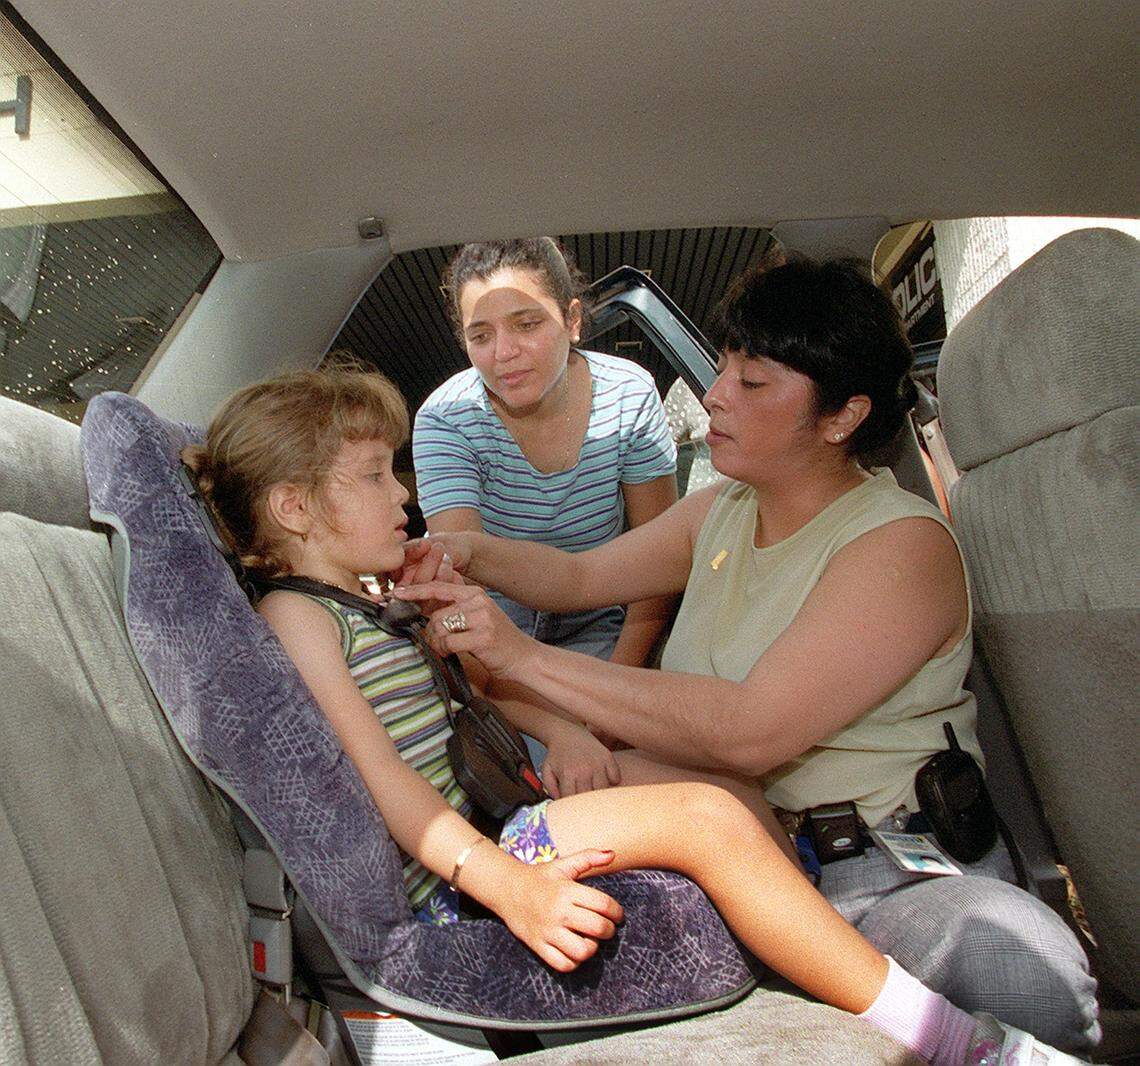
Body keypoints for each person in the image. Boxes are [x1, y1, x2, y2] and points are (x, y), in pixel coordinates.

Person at [184, 364, 1079, 1066]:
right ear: (296, 508)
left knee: (725, 786)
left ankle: (812, 958)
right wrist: (506, 884)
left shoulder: (372, 603)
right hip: (469, 867)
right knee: (706, 815)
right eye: (376, 478)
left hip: (502, 818)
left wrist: (568, 733)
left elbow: (481, 692)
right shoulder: (299, 618)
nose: (404, 499)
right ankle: (950, 1039)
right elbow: (382, 780)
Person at [394, 258, 1100, 1056]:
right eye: (722, 369)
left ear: (842, 417)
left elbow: (749, 732)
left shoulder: (898, 545)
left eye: (753, 382)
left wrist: (519, 657)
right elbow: (578, 575)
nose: (715, 395)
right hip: (751, 847)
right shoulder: (722, 510)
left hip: (881, 872)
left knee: (1015, 961)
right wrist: (461, 551)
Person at [413, 238, 678, 668]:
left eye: (526, 324)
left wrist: (617, 686)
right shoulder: (446, 419)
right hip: (494, 624)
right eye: (481, 335)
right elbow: (463, 586)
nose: (504, 353)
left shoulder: (630, 394)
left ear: (572, 320)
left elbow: (660, 561)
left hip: (602, 620)